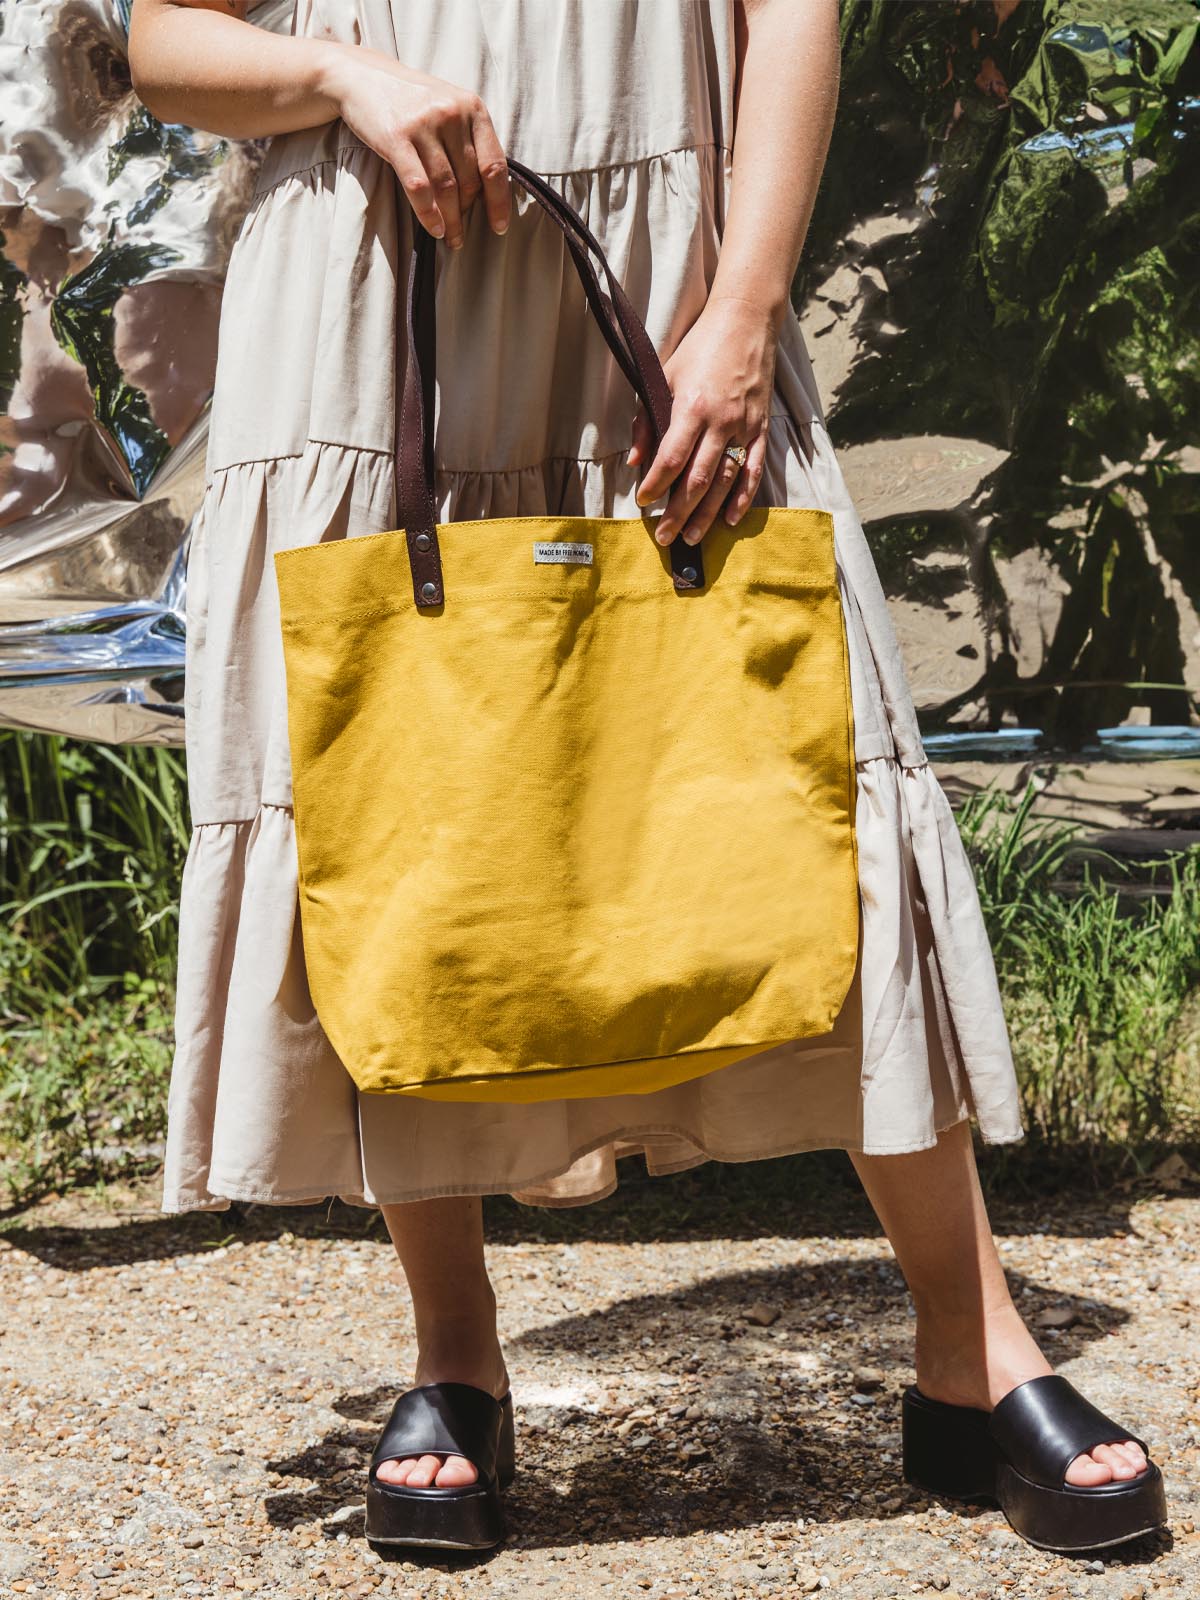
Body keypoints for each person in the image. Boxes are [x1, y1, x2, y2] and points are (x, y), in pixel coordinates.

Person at [128, 0, 1167, 1556]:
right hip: (363, 284)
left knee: (818, 768)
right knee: (411, 819)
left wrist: (747, 308)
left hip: (663, 278)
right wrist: (345, 73)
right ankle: (458, 1357)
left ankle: (976, 1349)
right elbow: (163, 47)